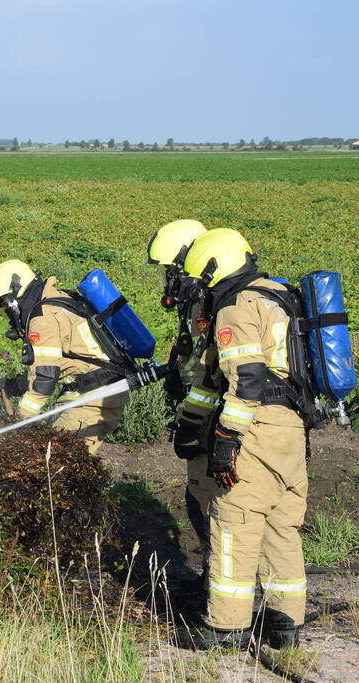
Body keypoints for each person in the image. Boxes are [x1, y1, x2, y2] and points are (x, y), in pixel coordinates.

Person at [179, 229, 309, 651]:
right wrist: (191, 417)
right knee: (281, 527)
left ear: (215, 266)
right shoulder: (278, 294)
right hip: (291, 429)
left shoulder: (235, 306)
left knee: (235, 522)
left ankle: (225, 627)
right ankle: (284, 624)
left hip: (257, 429)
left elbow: (247, 381)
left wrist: (225, 438)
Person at [0, 259, 128, 454]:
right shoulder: (54, 299)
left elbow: (45, 379)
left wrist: (16, 425)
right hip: (91, 392)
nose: (7, 315)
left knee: (55, 464)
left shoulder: (42, 318)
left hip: (92, 399)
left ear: (14, 298)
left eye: (4, 307)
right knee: (56, 460)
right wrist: (14, 385)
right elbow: (51, 366)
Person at [146, 219, 214, 580]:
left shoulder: (206, 301)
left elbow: (209, 368)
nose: (168, 277)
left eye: (170, 269)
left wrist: (190, 418)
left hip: (216, 418)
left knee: (206, 499)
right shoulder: (204, 299)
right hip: (218, 413)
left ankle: (217, 577)